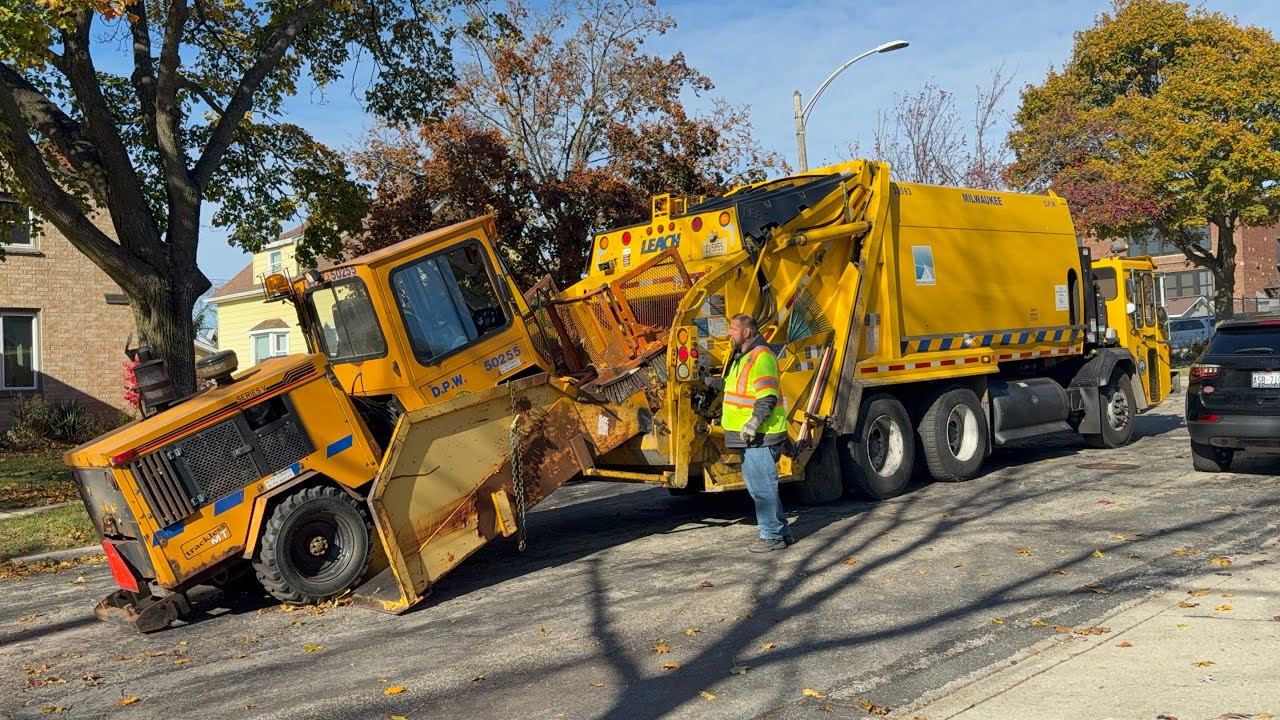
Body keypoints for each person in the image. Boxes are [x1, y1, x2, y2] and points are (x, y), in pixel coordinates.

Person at [710, 314, 794, 552]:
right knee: (760, 486)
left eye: (734, 329)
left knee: (762, 487)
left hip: (760, 435)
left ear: (747, 332)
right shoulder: (743, 357)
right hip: (751, 437)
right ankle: (781, 531)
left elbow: (767, 395)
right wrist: (708, 381)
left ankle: (772, 536)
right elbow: (732, 387)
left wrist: (754, 422)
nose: (730, 333)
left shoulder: (762, 356)